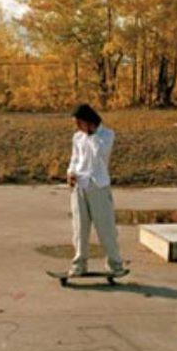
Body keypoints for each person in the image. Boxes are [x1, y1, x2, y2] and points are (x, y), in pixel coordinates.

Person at [65, 104, 128, 278]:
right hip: (79, 187)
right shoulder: (77, 137)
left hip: (98, 187)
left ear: (89, 121)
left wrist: (92, 133)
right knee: (79, 229)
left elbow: (100, 153)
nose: (77, 127)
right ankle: (79, 264)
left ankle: (115, 265)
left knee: (106, 228)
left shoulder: (106, 135)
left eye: (79, 123)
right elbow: (74, 158)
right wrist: (70, 172)